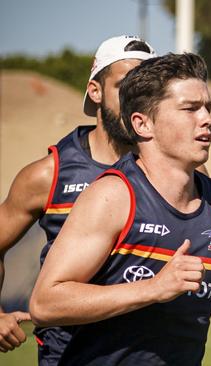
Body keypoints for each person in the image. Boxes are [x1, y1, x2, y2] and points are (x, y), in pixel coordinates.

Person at [29, 52, 211, 365]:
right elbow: (45, 303)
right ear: (142, 124)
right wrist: (154, 288)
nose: (206, 119)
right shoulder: (112, 197)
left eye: (207, 107)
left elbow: (209, 285)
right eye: (189, 109)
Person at [0, 35, 155, 362]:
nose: (136, 100)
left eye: (146, 90)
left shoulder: (169, 171)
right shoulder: (48, 175)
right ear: (95, 91)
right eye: (125, 87)